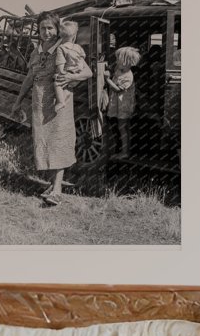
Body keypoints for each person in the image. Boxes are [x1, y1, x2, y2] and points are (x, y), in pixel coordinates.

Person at [14, 12, 92, 206]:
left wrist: (72, 78)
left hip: (59, 102)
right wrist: (18, 101)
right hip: (39, 103)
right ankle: (51, 184)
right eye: (42, 28)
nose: (46, 32)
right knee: (44, 142)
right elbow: (30, 78)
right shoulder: (36, 51)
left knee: (58, 141)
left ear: (57, 30)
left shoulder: (66, 48)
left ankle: (57, 190)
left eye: (50, 28)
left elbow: (88, 72)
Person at [102, 45, 142, 160]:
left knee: (122, 127)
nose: (116, 61)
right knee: (123, 127)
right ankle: (125, 150)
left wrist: (107, 79)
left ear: (126, 62)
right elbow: (112, 70)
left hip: (124, 105)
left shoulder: (128, 76)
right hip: (119, 104)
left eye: (118, 59)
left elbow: (117, 90)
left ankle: (125, 152)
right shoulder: (119, 69)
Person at [51, 19, 87, 111]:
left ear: (60, 36)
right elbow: (83, 57)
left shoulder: (61, 48)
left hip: (68, 72)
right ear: (74, 36)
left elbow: (60, 62)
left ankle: (61, 101)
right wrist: (79, 67)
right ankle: (65, 97)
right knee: (68, 87)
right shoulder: (78, 47)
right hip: (78, 74)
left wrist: (60, 72)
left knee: (57, 83)